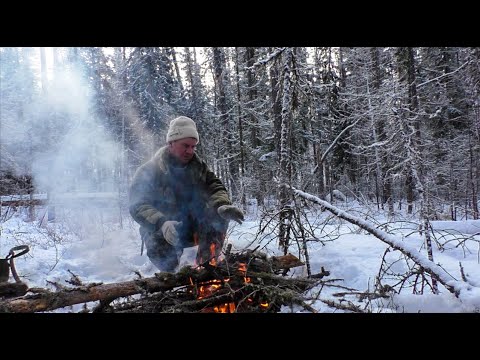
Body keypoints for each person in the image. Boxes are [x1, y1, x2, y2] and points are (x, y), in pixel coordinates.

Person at [128, 116, 244, 272]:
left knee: (218, 215)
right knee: (168, 265)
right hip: (162, 232)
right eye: (185, 146)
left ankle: (207, 268)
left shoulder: (198, 167)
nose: (190, 151)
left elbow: (215, 186)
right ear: (171, 143)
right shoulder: (149, 171)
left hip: (192, 228)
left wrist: (221, 204)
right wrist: (162, 223)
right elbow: (137, 205)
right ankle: (171, 277)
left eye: (193, 146)